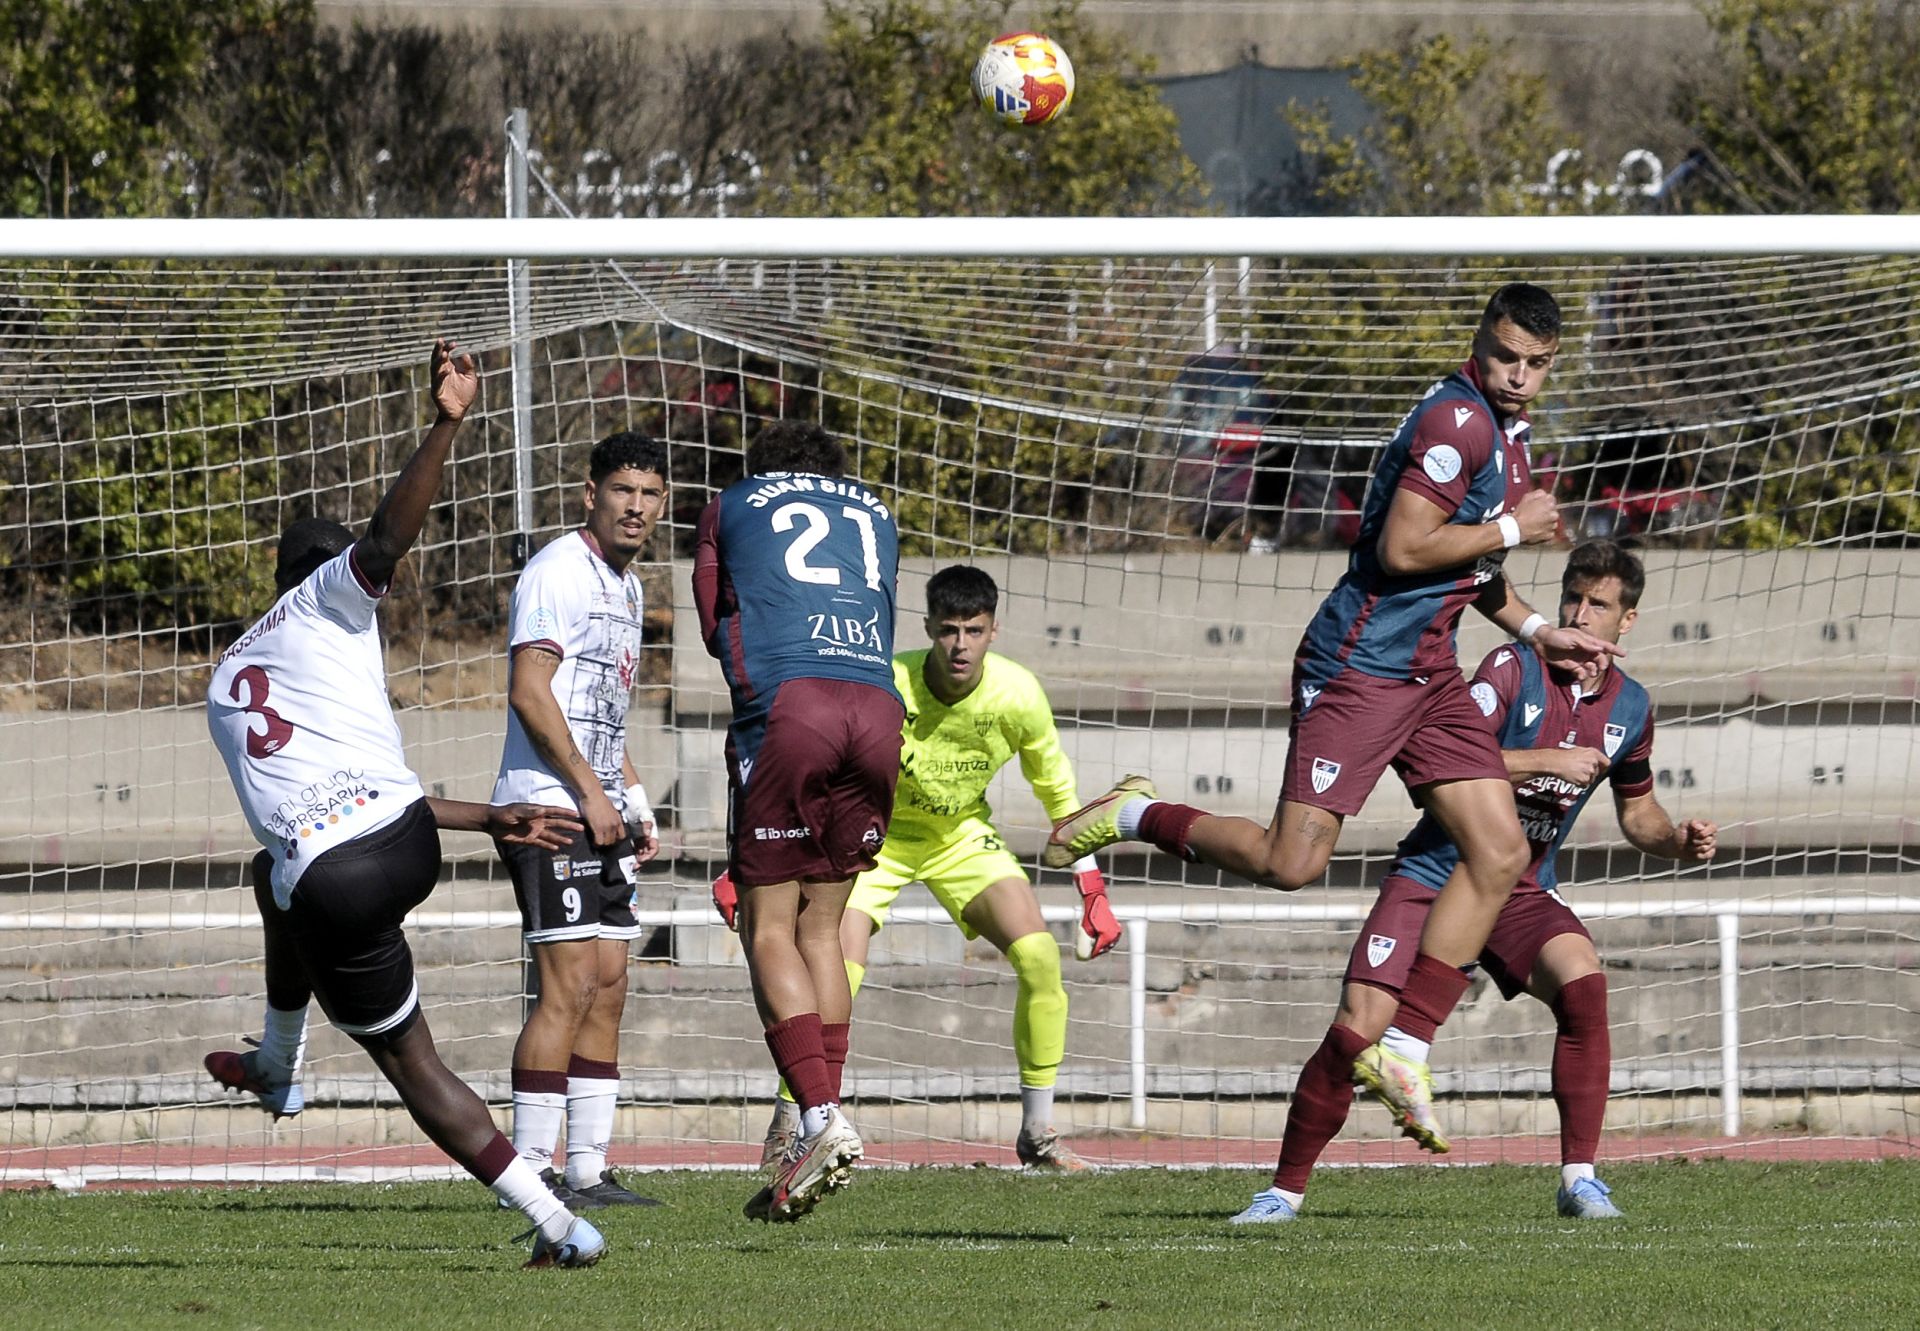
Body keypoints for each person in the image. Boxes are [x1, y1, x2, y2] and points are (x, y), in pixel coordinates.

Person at [1047, 284, 1620, 1151]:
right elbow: (1403, 548)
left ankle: (1404, 1042)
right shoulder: (1458, 423)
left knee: (1500, 849)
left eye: (1538, 363)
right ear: (1480, 342)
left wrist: (1542, 631)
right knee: (1292, 861)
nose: (1520, 375)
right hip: (1359, 667)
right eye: (1506, 356)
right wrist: (1509, 523)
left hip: (1427, 670)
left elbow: (1470, 572)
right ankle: (1129, 812)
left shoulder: (1510, 431)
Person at [203, 341, 607, 1269]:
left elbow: (313, 809)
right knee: (283, 887)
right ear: (326, 575)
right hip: (405, 841)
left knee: (295, 896)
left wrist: (487, 815)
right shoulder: (329, 604)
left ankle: (557, 1222)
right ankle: (279, 1063)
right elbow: (386, 541)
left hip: (340, 869)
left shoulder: (229, 674)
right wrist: (447, 422)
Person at [1231, 539, 1718, 1224]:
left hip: (1521, 888)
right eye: (1573, 596)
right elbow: (1454, 755)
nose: (1580, 612)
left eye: (1599, 604)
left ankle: (1580, 1179)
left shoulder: (1632, 706)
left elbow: (1638, 812)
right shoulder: (1511, 667)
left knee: (1583, 981)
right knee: (1355, 1032)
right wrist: (1547, 758)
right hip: (1437, 870)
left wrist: (1675, 839)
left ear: (1627, 621)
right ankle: (1282, 1191)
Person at [711, 565, 1123, 1173]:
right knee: (836, 965)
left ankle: (1038, 1133)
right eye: (950, 630)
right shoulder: (888, 681)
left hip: (959, 838)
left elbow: (1061, 797)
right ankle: (795, 1123)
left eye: (975, 631)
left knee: (1039, 956)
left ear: (993, 630)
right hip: (875, 841)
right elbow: (808, 766)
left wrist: (1092, 887)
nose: (961, 645)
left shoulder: (1018, 694)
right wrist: (750, 863)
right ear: (928, 627)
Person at [692, 420, 904, 1222]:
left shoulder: (733, 500)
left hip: (791, 704)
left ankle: (817, 1117)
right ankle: (819, 1118)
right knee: (826, 930)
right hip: (879, 706)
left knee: (767, 924)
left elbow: (716, 617)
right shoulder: (876, 510)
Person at [491, 432, 670, 1211]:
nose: (636, 506)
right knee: (563, 989)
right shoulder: (557, 570)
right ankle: (526, 1173)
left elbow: (601, 712)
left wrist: (630, 799)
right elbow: (531, 693)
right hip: (548, 807)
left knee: (609, 986)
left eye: (650, 494)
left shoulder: (627, 587)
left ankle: (588, 1169)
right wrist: (591, 797)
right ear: (589, 493)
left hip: (598, 810)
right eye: (623, 489)